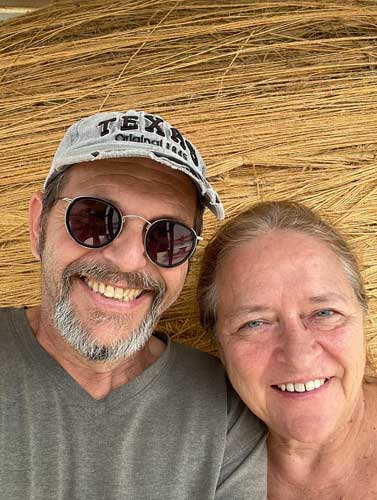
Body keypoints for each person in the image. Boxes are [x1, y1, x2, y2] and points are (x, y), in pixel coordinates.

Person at [0, 110, 266, 500]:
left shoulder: (225, 411)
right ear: (39, 224)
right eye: (94, 219)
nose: (127, 260)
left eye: (167, 237)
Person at [198, 200, 377, 500]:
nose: (299, 356)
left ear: (363, 315)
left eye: (324, 313)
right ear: (218, 343)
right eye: (254, 323)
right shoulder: (197, 475)